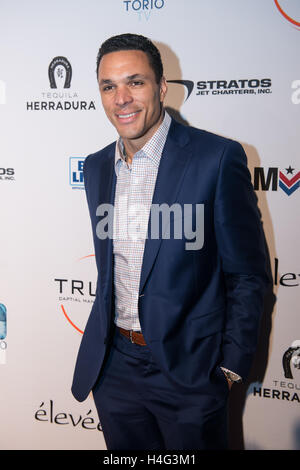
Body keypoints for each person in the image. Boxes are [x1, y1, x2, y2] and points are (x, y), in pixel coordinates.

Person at [71, 33, 268, 450]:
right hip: (115, 370)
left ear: (161, 88)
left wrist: (230, 367)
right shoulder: (96, 167)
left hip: (190, 373)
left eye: (135, 82)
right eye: (109, 86)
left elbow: (248, 275)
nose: (121, 98)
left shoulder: (216, 159)